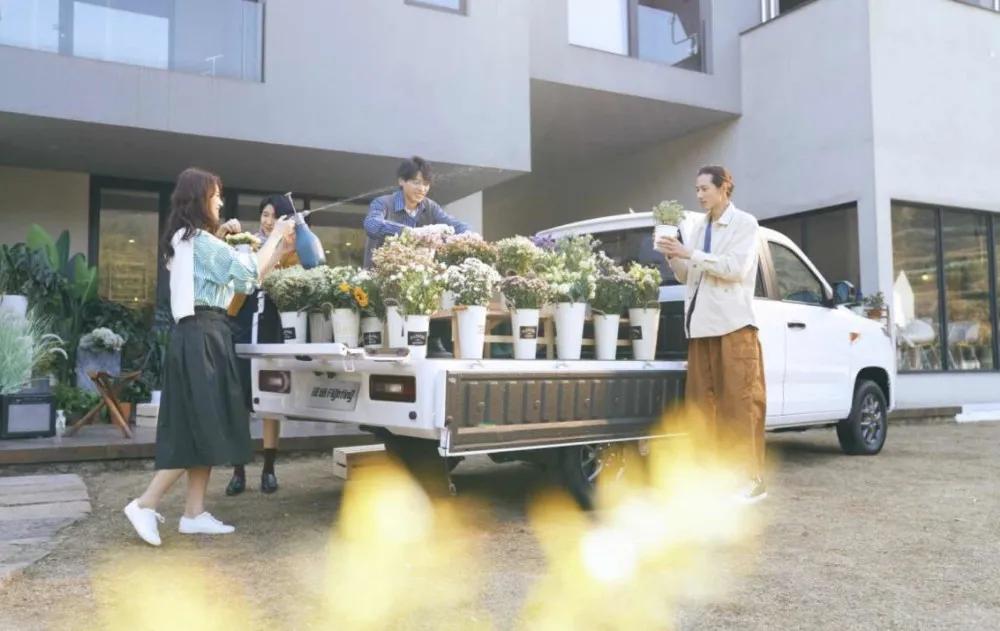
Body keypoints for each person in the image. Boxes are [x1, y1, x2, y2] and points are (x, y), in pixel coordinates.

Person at [123, 168, 294, 546]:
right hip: (203, 335)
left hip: (199, 334)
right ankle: (145, 503)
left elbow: (247, 279)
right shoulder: (200, 242)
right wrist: (276, 235)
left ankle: (194, 513)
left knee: (204, 422)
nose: (220, 201)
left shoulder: (187, 239)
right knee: (202, 424)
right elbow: (248, 272)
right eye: (216, 195)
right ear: (201, 198)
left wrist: (276, 248)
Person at [655, 165, 767, 504]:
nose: (699, 194)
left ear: (723, 188)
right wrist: (673, 255)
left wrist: (690, 253)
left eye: (705, 188)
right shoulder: (697, 227)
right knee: (702, 409)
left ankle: (751, 480)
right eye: (697, 189)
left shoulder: (744, 223)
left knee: (740, 405)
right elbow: (687, 275)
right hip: (699, 330)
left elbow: (736, 268)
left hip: (733, 328)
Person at [225, 194, 298, 496]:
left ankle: (269, 469)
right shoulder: (247, 244)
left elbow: (298, 280)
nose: (268, 221)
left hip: (273, 327)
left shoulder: (292, 250)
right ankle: (238, 471)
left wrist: (283, 248)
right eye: (265, 215)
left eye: (274, 216)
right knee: (239, 401)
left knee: (270, 401)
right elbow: (243, 279)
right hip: (241, 324)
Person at [362, 156, 470, 269]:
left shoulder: (430, 207)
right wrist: (409, 232)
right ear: (401, 181)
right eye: (416, 182)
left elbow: (456, 225)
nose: (422, 189)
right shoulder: (383, 203)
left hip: (417, 276)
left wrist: (470, 236)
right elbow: (371, 224)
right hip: (380, 274)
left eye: (426, 184)